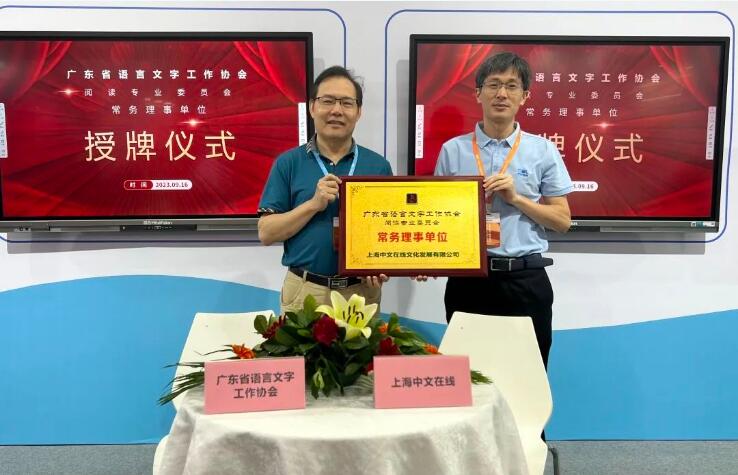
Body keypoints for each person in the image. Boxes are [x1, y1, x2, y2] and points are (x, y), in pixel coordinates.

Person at [434, 52, 573, 369]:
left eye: (511, 86)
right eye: (493, 84)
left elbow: (562, 221)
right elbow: (439, 218)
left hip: (525, 280)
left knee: (527, 380)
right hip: (469, 282)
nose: (501, 94)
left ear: (524, 96)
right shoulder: (452, 151)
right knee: (469, 379)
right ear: (478, 93)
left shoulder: (542, 150)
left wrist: (517, 198)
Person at [258, 66, 392, 314]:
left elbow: (389, 229)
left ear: (359, 112)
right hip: (305, 290)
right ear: (312, 107)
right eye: (328, 101)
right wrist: (312, 205)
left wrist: (386, 264)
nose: (336, 110)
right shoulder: (288, 163)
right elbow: (266, 233)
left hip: (360, 291)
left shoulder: (378, 166)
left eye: (346, 103)